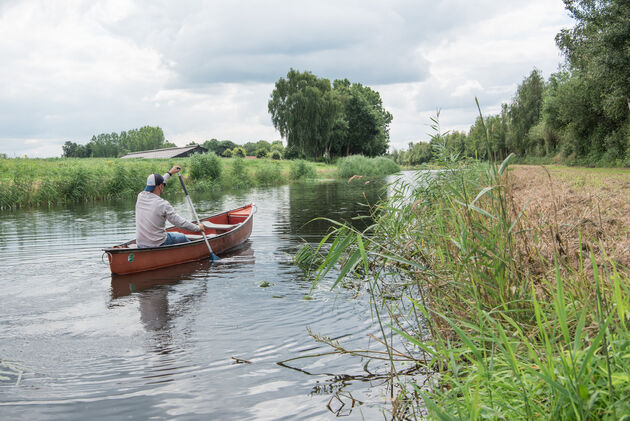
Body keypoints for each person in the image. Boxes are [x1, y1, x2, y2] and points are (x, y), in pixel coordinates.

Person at [135, 165, 204, 248]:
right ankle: (194, 251)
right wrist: (197, 228)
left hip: (140, 243)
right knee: (181, 237)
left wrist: (170, 173)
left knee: (174, 235)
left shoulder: (140, 196)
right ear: (160, 186)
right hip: (158, 243)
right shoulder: (163, 204)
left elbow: (160, 182)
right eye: (163, 185)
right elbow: (179, 223)